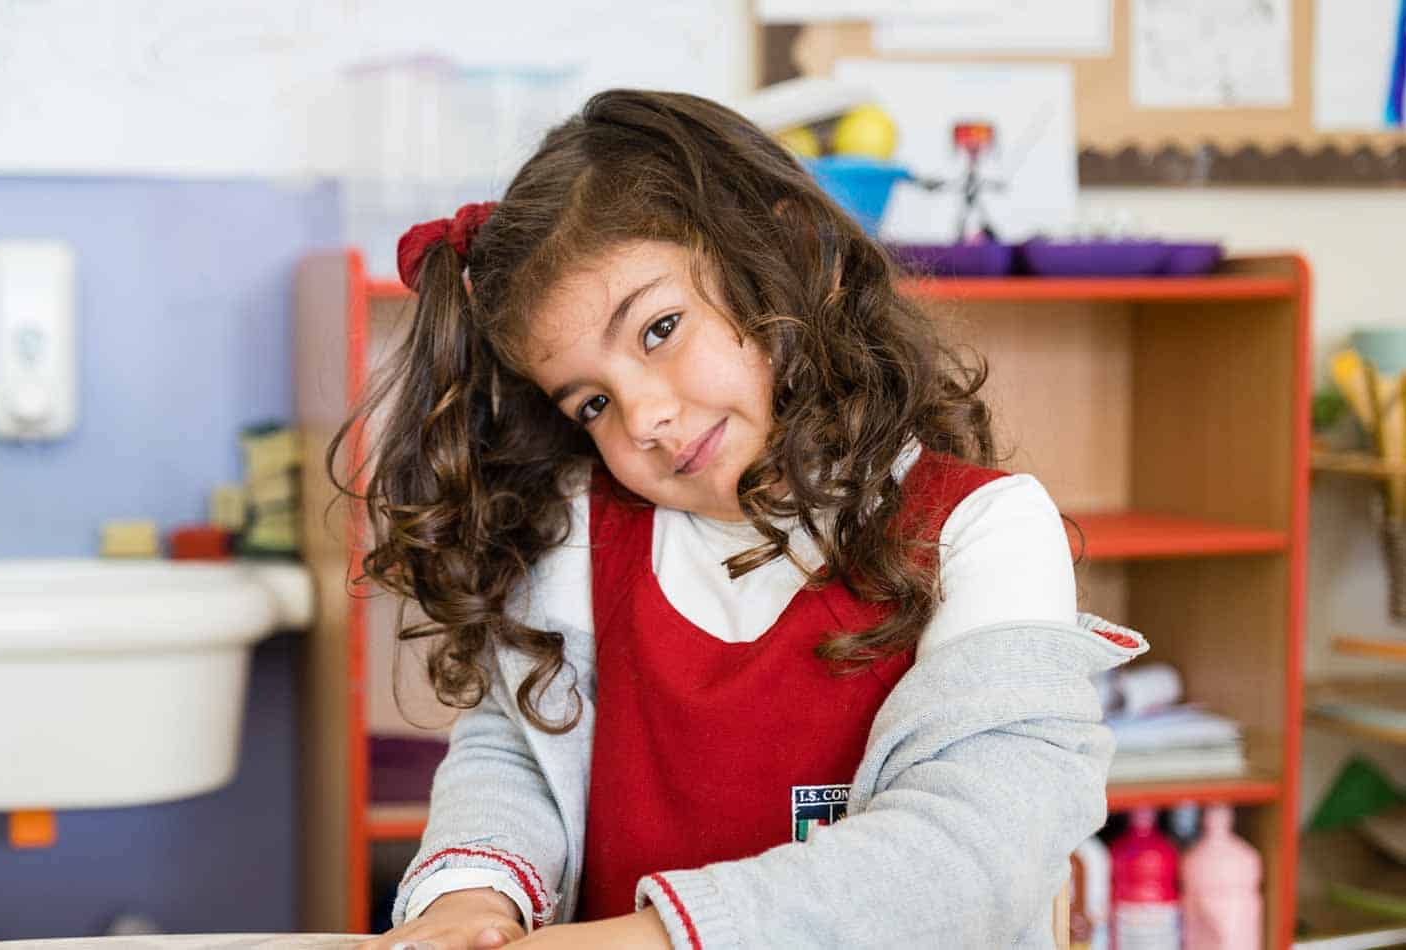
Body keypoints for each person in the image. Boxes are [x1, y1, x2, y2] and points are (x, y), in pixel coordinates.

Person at [333, 89, 1145, 950]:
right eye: (592, 402)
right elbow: (516, 754)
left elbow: (973, 852)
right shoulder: (579, 531)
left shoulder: (986, 530)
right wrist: (472, 894)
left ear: (785, 255)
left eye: (660, 329)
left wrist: (656, 939)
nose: (643, 418)